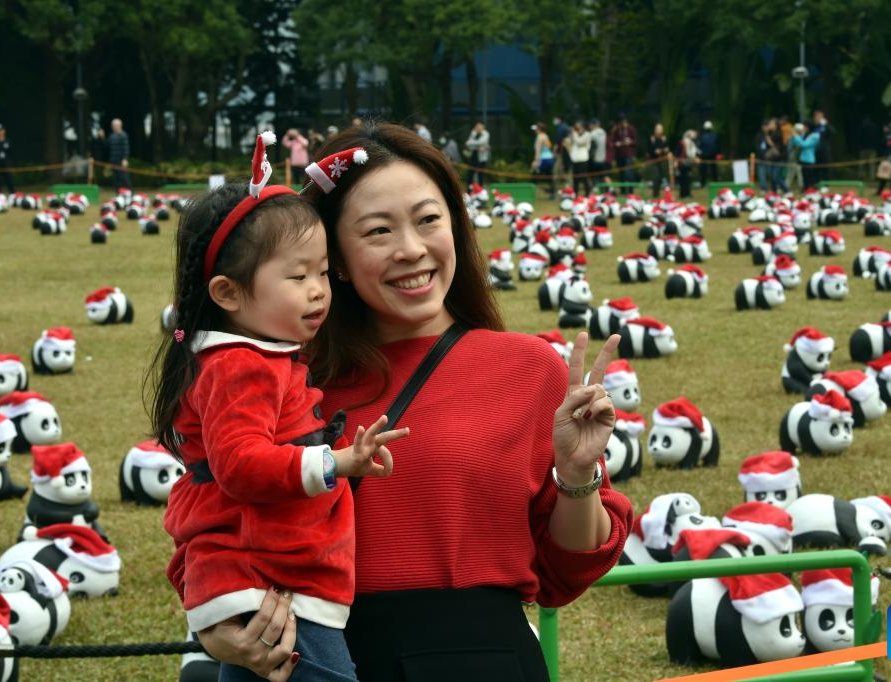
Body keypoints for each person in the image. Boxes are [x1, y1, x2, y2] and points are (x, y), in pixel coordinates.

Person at [201, 122, 632, 681]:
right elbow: (209, 512)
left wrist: (577, 477)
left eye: (429, 220)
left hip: (475, 662)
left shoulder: (530, 369)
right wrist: (215, 628)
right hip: (309, 658)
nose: (411, 249)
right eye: (378, 231)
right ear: (332, 256)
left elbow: (566, 574)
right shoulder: (279, 375)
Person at [151, 139, 409, 682]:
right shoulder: (240, 366)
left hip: (266, 576)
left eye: (322, 273)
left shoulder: (262, 353)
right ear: (227, 292)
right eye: (297, 278)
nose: (318, 293)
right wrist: (337, 463)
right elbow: (240, 465)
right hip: (270, 578)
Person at [608, 114, 638, 184]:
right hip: (619, 154)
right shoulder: (617, 130)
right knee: (621, 172)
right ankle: (623, 190)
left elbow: (635, 141)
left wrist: (630, 142)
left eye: (624, 122)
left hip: (628, 154)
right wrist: (616, 143)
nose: (623, 124)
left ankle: (630, 190)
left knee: (628, 172)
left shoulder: (631, 129)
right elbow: (613, 140)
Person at [791, 122, 820, 190]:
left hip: (809, 159)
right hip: (803, 159)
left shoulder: (815, 136)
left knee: (809, 177)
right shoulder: (806, 135)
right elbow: (795, 143)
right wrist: (795, 136)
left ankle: (811, 190)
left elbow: (804, 145)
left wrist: (796, 136)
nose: (803, 129)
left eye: (805, 127)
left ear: (808, 127)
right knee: (804, 177)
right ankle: (805, 190)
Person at [567, 120, 592, 196]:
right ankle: (575, 194)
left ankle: (588, 193)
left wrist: (574, 134)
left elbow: (579, 142)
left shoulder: (587, 134)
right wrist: (571, 135)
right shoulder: (575, 134)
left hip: (583, 159)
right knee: (575, 179)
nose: (577, 128)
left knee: (583, 177)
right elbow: (570, 142)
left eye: (578, 127)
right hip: (575, 159)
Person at [531, 122, 555, 197]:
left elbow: (538, 150)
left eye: (536, 129)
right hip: (550, 158)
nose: (535, 131)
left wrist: (535, 161)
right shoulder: (546, 136)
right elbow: (549, 147)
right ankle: (552, 194)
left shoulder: (539, 137)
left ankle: (530, 193)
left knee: (534, 176)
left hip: (543, 159)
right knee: (549, 177)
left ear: (539, 129)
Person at [464, 121, 490, 187]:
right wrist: (475, 145)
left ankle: (481, 191)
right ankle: (469, 191)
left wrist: (471, 143)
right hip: (473, 156)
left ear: (483, 127)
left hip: (482, 158)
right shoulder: (473, 133)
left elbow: (481, 142)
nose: (478, 127)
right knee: (470, 174)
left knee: (480, 175)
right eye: (477, 126)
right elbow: (468, 145)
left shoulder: (485, 134)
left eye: (480, 126)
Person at [107, 118, 131, 190]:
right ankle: (118, 195)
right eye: (113, 125)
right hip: (113, 160)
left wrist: (125, 159)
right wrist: (101, 138)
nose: (114, 127)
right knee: (116, 179)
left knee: (124, 178)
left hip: (121, 161)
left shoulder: (123, 135)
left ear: (120, 126)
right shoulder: (111, 136)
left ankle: (130, 193)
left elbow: (126, 148)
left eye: (115, 125)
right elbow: (107, 146)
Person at [648, 123, 670, 197]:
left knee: (661, 177)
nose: (659, 131)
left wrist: (664, 149)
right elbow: (650, 150)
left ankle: (659, 194)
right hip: (654, 161)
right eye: (658, 129)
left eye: (660, 129)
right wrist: (655, 151)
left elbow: (666, 148)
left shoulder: (664, 138)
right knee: (656, 177)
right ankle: (655, 194)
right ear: (655, 130)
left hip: (662, 161)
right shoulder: (652, 139)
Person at [676, 129, 699, 198]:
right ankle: (684, 194)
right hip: (683, 164)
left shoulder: (691, 143)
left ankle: (687, 193)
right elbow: (678, 153)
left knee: (687, 179)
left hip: (687, 164)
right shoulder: (682, 143)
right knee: (684, 179)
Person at [587, 118, 609, 187]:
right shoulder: (603, 132)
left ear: (594, 125)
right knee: (604, 175)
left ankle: (594, 189)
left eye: (590, 125)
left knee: (590, 175)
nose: (589, 126)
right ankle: (611, 189)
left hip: (594, 158)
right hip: (603, 158)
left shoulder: (592, 134)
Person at [552, 115, 572, 188]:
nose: (554, 121)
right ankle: (566, 186)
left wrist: (554, 150)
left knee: (557, 170)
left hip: (562, 152)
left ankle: (557, 188)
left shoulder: (561, 128)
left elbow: (558, 141)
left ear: (559, 119)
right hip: (566, 151)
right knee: (565, 169)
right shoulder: (566, 127)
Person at [698, 121, 719, 187]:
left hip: (704, 156)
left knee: (703, 171)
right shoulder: (715, 136)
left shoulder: (702, 136)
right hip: (713, 155)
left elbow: (700, 147)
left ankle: (702, 184)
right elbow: (718, 146)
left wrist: (699, 155)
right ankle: (716, 183)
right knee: (714, 170)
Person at [812, 110, 830, 183]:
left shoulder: (825, 126)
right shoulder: (813, 127)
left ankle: (826, 184)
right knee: (816, 168)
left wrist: (826, 124)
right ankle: (816, 184)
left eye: (820, 117)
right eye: (816, 117)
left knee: (825, 167)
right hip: (815, 150)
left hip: (824, 150)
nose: (818, 118)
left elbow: (833, 132)